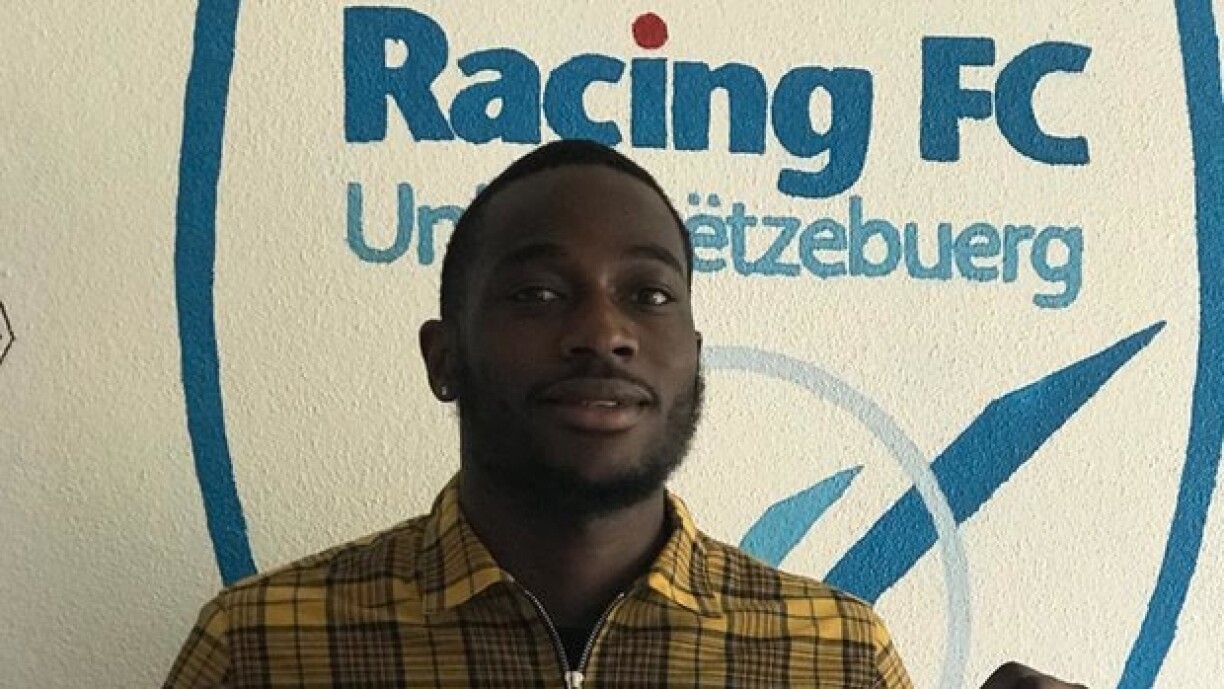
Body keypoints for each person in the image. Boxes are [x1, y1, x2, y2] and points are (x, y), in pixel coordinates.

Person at [165, 141, 1083, 688]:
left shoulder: (835, 654)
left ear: (693, 354)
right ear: (444, 358)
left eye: (649, 295)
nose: (604, 332)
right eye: (537, 292)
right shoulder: (261, 644)